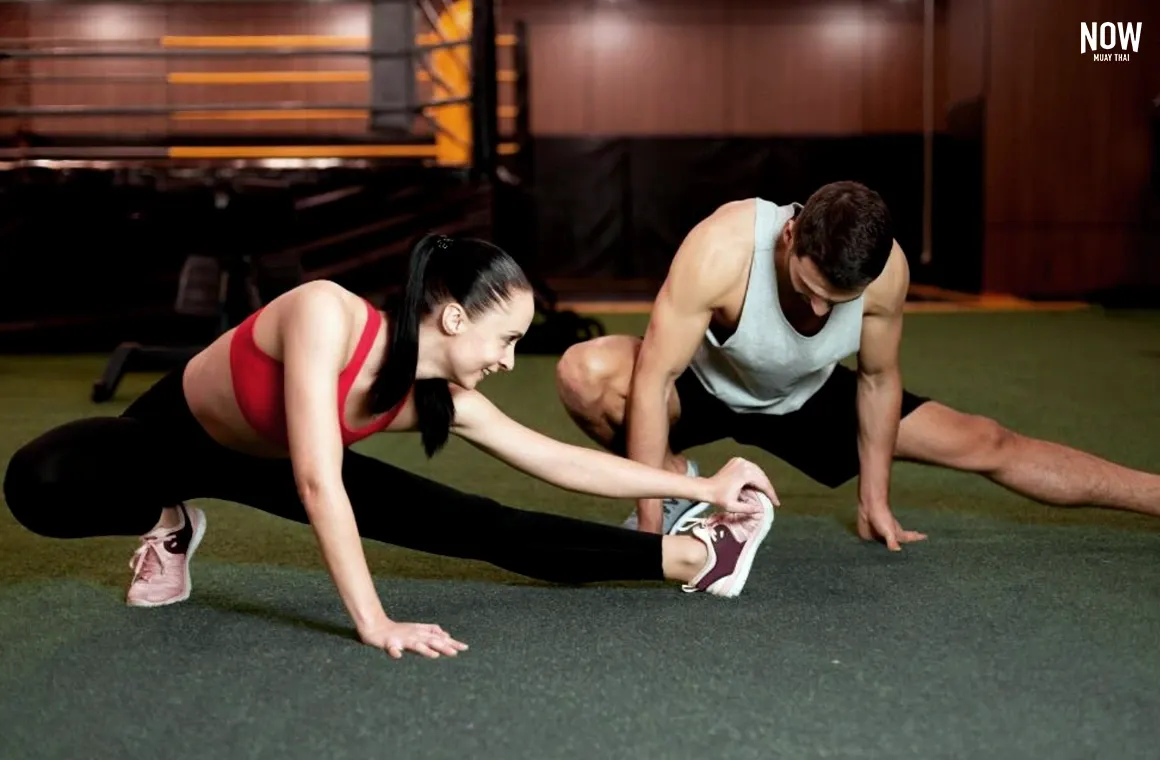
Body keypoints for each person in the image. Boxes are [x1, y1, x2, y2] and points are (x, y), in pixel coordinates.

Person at [3, 234, 779, 661]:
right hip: (172, 441)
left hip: (273, 462)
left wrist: (707, 493)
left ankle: (688, 558)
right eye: (505, 338)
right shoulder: (325, 315)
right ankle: (171, 518)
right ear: (451, 319)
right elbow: (317, 482)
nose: (511, 361)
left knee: (486, 526)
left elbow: (555, 458)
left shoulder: (445, 399)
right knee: (40, 480)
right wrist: (375, 620)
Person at [555, 181, 1160, 544]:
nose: (820, 307)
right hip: (704, 384)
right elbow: (657, 373)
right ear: (791, 235)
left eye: (837, 300)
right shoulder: (722, 247)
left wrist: (875, 497)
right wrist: (650, 527)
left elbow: (877, 378)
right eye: (808, 286)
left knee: (989, 441)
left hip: (806, 397)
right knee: (586, 371)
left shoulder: (885, 271)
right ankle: (679, 485)